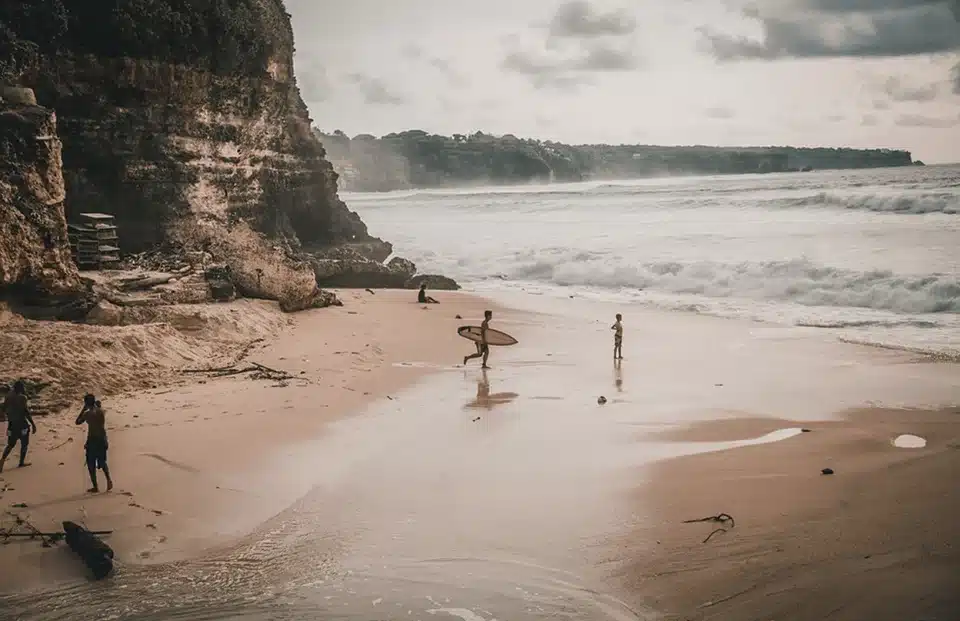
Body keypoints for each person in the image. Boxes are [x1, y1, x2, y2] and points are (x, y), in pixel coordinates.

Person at [76, 394, 113, 493]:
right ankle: (109, 480)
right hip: (102, 438)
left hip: (92, 440)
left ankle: (95, 486)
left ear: (86, 403)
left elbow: (78, 421)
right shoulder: (101, 411)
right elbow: (98, 409)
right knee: (102, 461)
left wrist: (83, 409)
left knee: (91, 463)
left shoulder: (87, 414)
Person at [0, 380, 37, 472]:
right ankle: (21, 462)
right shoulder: (22, 398)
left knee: (10, 444)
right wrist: (33, 424)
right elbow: (26, 412)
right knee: (24, 443)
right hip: (22, 425)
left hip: (11, 424)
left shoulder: (8, 396)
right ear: (21, 389)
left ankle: (2, 460)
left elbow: (3, 408)